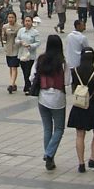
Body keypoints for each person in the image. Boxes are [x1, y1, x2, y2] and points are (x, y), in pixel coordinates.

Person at [67, 47, 94, 173]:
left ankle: (81, 163)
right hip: (93, 106)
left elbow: (73, 88)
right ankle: (93, 158)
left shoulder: (74, 71)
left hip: (79, 106)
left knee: (80, 134)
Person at [29, 35, 66, 170]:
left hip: (43, 97)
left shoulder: (41, 59)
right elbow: (67, 80)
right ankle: (49, 154)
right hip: (58, 98)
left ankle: (49, 157)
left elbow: (32, 76)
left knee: (47, 128)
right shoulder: (62, 62)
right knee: (59, 128)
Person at [16, 15, 41, 95]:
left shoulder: (35, 32)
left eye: (29, 21)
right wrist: (20, 42)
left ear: (32, 22)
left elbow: (38, 43)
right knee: (24, 71)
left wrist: (30, 45)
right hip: (22, 54)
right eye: (26, 21)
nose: (27, 23)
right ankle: (27, 85)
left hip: (30, 55)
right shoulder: (21, 30)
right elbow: (17, 39)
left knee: (29, 71)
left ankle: (28, 87)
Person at [2, 12, 21, 94]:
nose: (10, 19)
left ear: (15, 18)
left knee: (14, 67)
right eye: (9, 17)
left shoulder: (19, 27)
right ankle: (13, 82)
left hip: (16, 49)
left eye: (12, 17)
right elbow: (3, 37)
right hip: (8, 49)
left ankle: (11, 84)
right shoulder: (5, 26)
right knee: (10, 67)